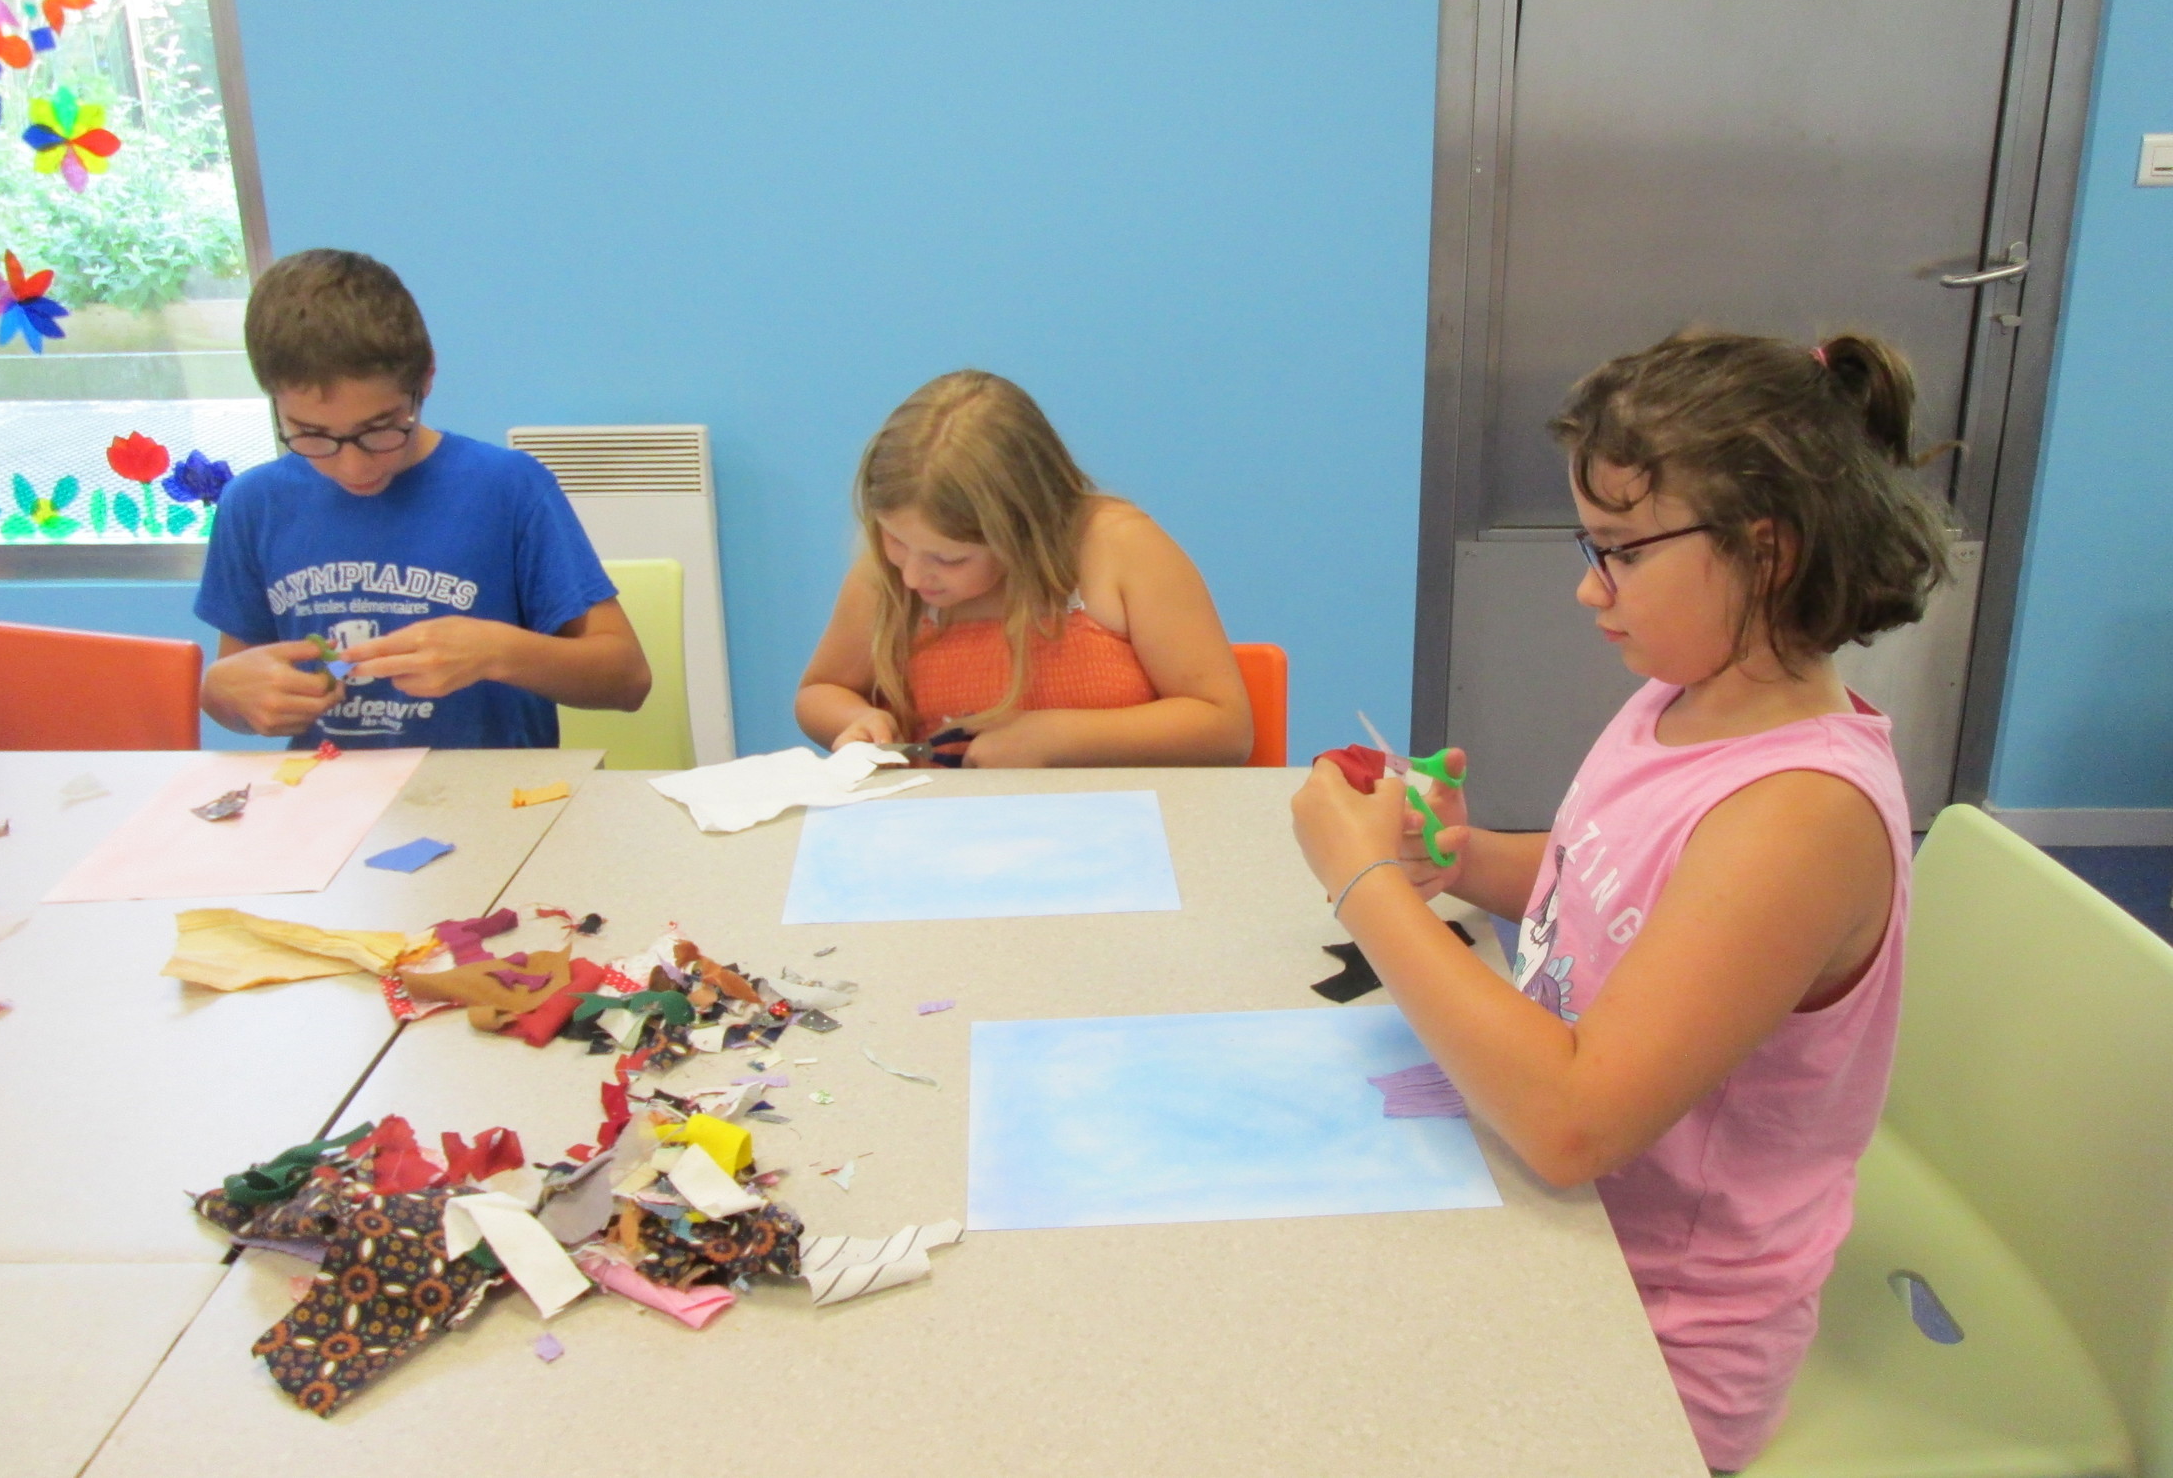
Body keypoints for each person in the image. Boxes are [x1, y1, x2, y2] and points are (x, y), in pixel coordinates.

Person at [1290, 331, 1950, 1472]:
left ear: (1767, 552)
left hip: (1657, 1344)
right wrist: (1460, 859)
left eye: (1621, 552)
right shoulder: (1682, 697)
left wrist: (1363, 885)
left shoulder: (1799, 817)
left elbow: (1571, 1125)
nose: (1588, 586)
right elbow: (1601, 877)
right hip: (1566, 1232)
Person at [196, 250, 650, 748]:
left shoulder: (508, 488)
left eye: (379, 429)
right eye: (312, 435)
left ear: (426, 378)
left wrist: (497, 651)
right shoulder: (254, 505)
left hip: (493, 788)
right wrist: (222, 693)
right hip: (328, 786)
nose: (353, 466)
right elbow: (234, 694)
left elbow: (627, 679)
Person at [797, 370, 1251, 767]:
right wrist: (857, 719)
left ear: (1026, 532)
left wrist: (1056, 738)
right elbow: (820, 691)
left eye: (950, 559)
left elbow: (1225, 728)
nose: (912, 576)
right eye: (895, 540)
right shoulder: (888, 574)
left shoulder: (1121, 548)